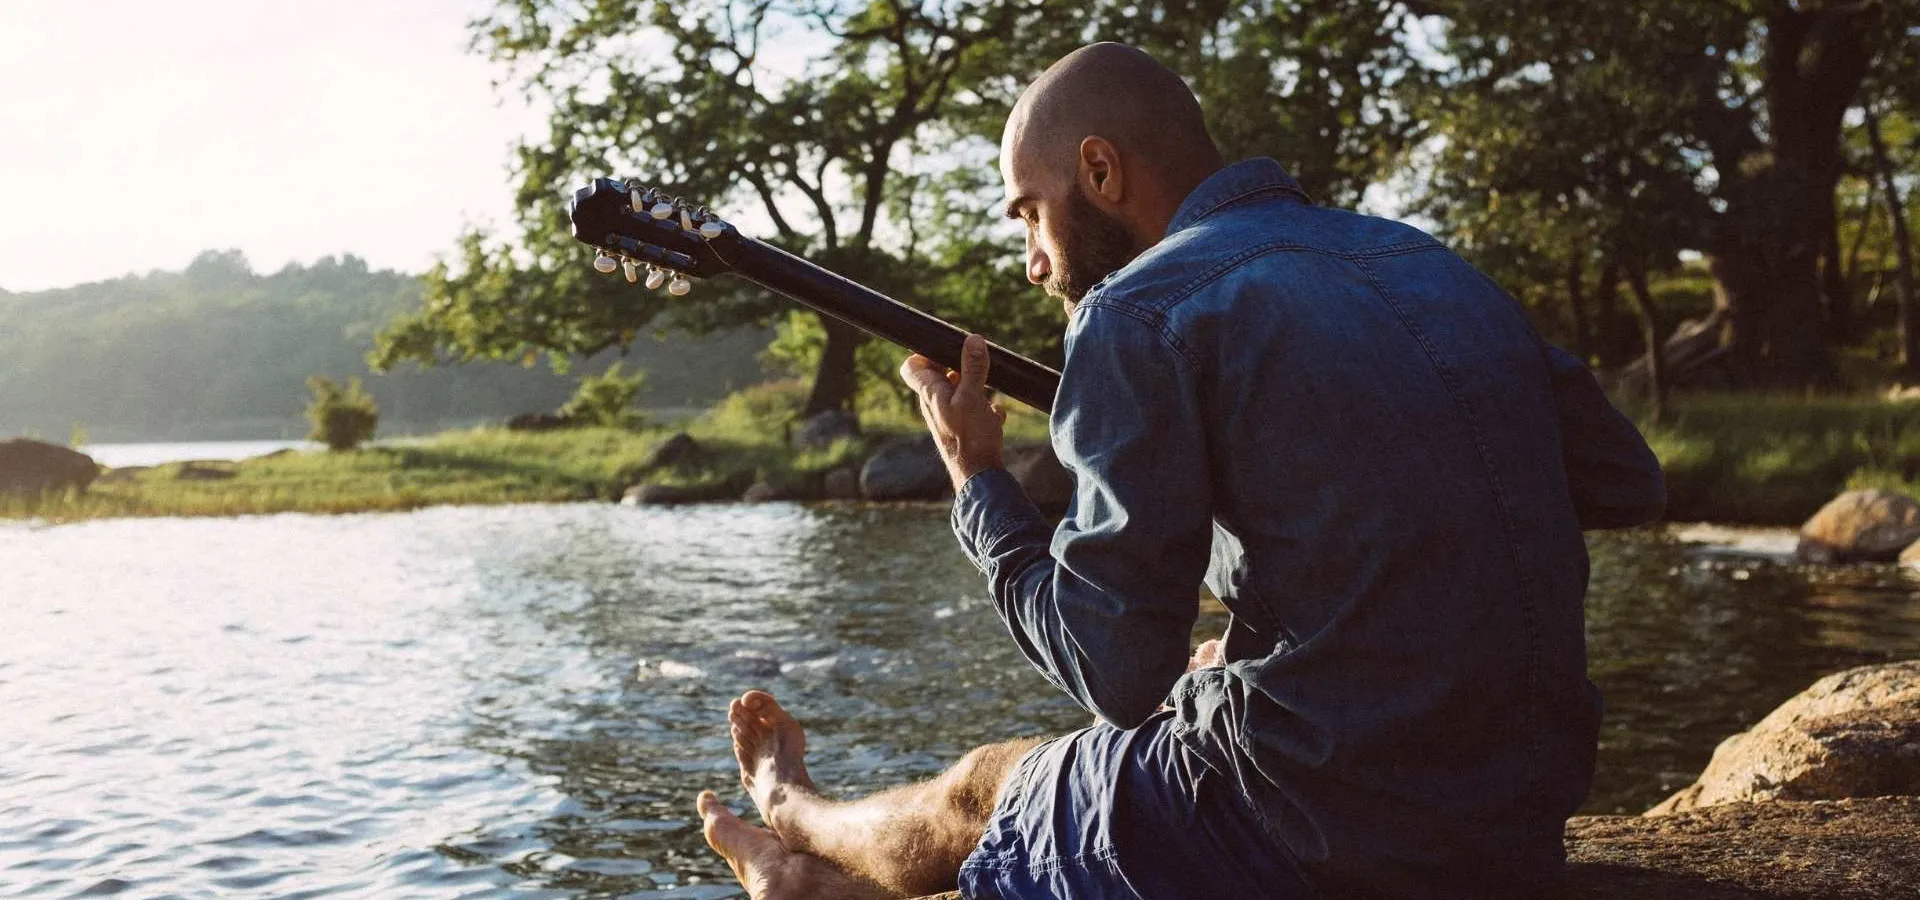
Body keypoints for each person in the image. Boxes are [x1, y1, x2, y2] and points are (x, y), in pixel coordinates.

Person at [695, 41, 1664, 899]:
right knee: (1179, 705)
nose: (1033, 260)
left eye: (1029, 214)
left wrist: (978, 483)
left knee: (990, 788)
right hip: (1512, 830)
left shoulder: (1135, 312)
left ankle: (794, 817)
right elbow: (1626, 481)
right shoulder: (1433, 267)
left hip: (1319, 839)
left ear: (1101, 170)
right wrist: (1275, 625)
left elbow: (1112, 673)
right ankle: (806, 885)